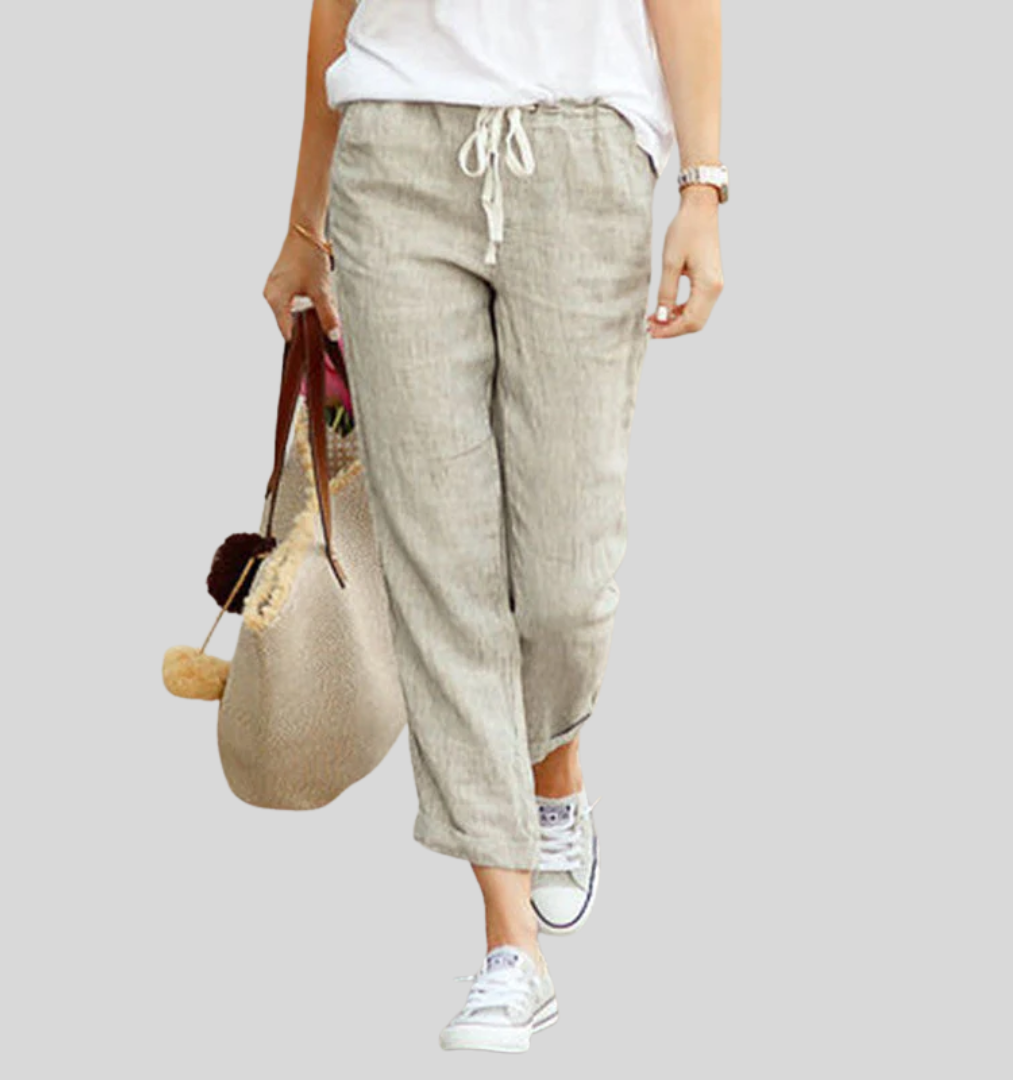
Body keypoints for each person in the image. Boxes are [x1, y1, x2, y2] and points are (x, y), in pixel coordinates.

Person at [264, 0, 725, 1054]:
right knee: (441, 561)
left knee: (565, 578)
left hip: (580, 149)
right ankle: (510, 943)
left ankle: (554, 770)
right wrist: (304, 226)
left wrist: (702, 187)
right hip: (394, 153)